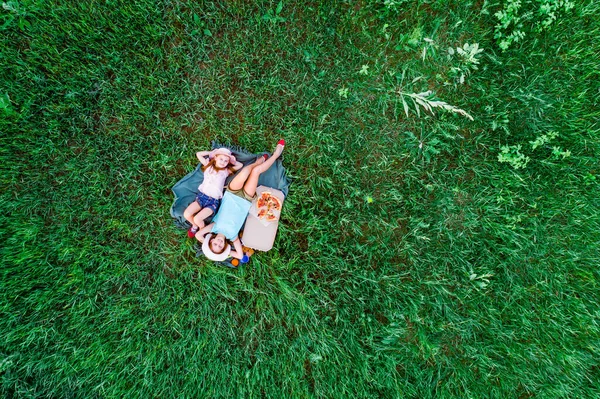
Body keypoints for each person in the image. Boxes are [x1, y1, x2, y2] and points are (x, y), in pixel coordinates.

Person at [195, 140, 285, 261]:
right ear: (224, 247)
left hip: (231, 193)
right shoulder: (233, 237)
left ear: (211, 240)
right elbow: (239, 255)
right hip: (246, 199)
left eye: (215, 244)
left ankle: (259, 161)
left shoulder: (213, 227)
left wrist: (205, 242)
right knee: (255, 172)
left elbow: (198, 235)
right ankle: (276, 155)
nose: (219, 243)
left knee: (246, 171)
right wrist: (227, 253)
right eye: (221, 246)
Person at [183, 148, 243, 238]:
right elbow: (198, 154)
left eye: (226, 161)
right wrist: (211, 153)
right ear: (215, 158)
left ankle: (201, 231)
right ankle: (196, 226)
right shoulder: (208, 165)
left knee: (197, 218)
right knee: (186, 214)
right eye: (221, 159)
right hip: (201, 197)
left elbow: (240, 165)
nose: (223, 162)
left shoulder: (225, 171)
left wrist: (231, 160)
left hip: (213, 201)